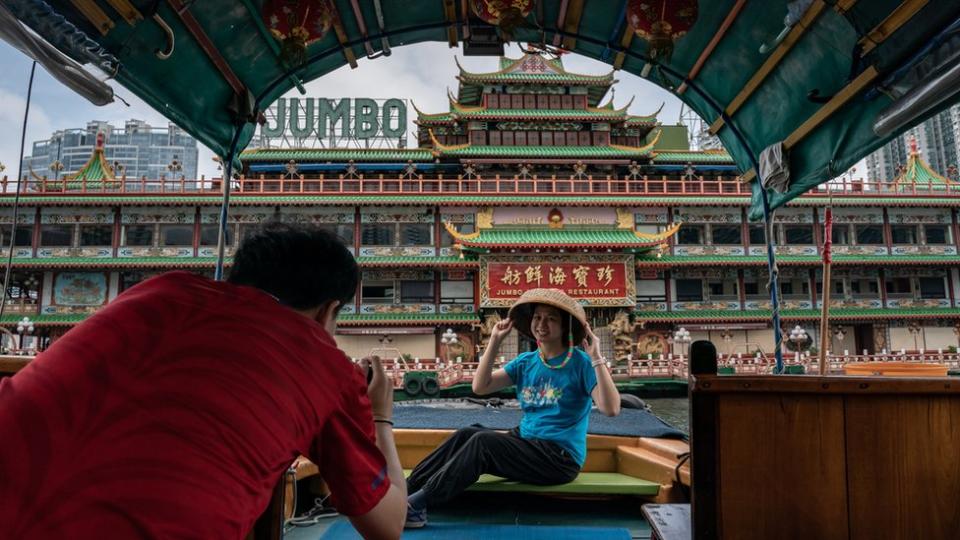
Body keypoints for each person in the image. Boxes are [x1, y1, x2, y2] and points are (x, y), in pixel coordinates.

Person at [0, 222, 406, 539]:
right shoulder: (326, 365)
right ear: (327, 312)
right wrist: (381, 417)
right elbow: (387, 526)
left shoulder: (159, 289)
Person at [404, 288, 621, 528]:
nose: (542, 324)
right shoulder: (527, 362)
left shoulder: (581, 363)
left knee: (483, 442)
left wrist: (597, 357)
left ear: (565, 326)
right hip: (527, 442)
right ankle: (405, 490)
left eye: (551, 318)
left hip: (559, 458)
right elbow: (481, 386)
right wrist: (495, 341)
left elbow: (611, 409)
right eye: (538, 317)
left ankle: (416, 506)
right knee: (469, 432)